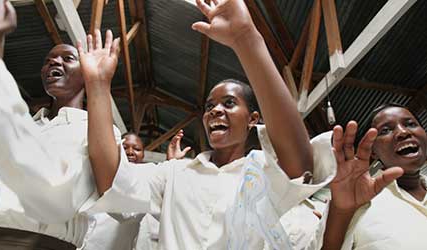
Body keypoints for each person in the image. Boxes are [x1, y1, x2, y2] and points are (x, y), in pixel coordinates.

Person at [80, 0, 337, 249]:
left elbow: (300, 162)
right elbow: (111, 179)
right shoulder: (173, 174)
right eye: (209, 106)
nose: (215, 110)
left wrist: (247, 39)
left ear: (253, 120)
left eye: (228, 103)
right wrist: (98, 85)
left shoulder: (262, 172)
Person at [0, 0, 147, 249]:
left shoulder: (94, 132)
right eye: (48, 60)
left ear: (85, 71)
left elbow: (107, 198)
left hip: (37, 243)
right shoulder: (29, 126)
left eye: (67, 58)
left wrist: (98, 83)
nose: (54, 63)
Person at [321, 103, 426, 250]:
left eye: (411, 124)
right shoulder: (354, 203)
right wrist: (341, 211)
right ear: (373, 152)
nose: (403, 132)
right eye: (385, 130)